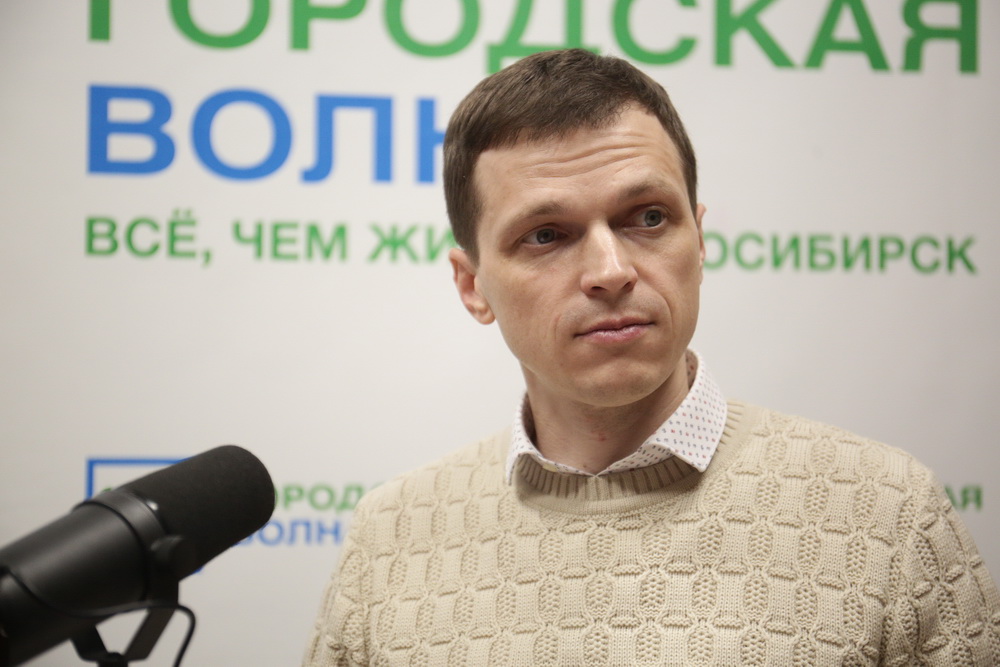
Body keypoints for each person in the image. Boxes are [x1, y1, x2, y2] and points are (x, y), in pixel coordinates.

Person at [304, 49, 999, 666]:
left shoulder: (887, 514)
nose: (610, 271)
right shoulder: (389, 537)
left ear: (699, 239)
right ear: (472, 285)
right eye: (546, 234)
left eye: (648, 217)